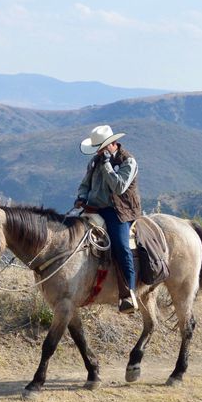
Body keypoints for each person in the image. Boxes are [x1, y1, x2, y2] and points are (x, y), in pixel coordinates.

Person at [74, 124, 142, 314]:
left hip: (119, 211)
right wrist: (81, 196)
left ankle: (128, 293)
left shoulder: (128, 162)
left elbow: (118, 187)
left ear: (112, 144)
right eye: (98, 149)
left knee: (121, 246)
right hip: (93, 208)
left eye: (102, 148)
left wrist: (106, 166)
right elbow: (85, 184)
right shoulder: (95, 162)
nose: (99, 152)